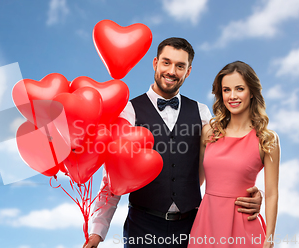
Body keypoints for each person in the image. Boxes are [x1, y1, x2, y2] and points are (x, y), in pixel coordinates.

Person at [83, 38, 263, 248]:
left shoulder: (202, 113)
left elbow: (228, 161)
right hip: (142, 228)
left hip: (193, 227)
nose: (172, 71)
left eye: (180, 66)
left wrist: (252, 192)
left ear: (188, 71)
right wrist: (97, 232)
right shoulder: (129, 111)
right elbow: (112, 178)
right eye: (166, 63)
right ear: (155, 63)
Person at [188, 61, 279, 248]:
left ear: (252, 92)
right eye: (226, 90)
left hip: (245, 230)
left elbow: (272, 194)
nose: (232, 96)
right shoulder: (209, 133)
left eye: (239, 89)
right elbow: (196, 180)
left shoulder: (266, 139)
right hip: (207, 225)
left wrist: (269, 240)